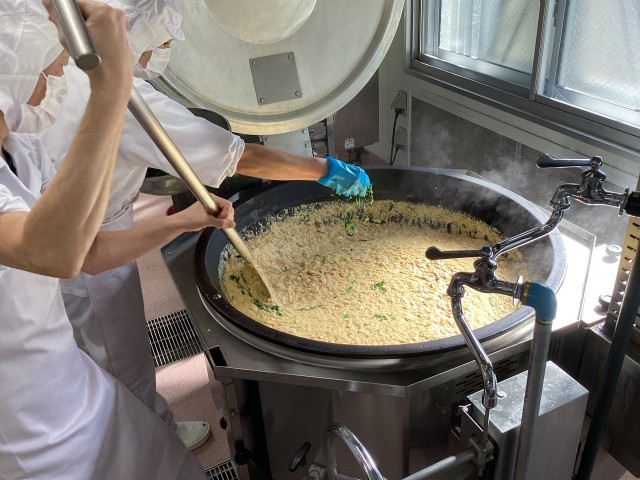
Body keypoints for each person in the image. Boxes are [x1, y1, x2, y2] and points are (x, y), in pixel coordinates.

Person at [37, 0, 371, 452]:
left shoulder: (67, 78)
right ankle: (151, 443)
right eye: (161, 43)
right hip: (90, 240)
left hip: (60, 234)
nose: (164, 53)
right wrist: (323, 168)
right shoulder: (122, 98)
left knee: (83, 351)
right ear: (128, 37)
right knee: (120, 357)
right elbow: (242, 157)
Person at [0, 0, 222, 478]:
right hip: (26, 433)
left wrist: (179, 224)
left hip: (74, 384)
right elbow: (53, 253)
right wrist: (112, 86)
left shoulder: (21, 149)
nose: (59, 73)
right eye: (51, 60)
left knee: (171, 463)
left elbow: (89, 252)